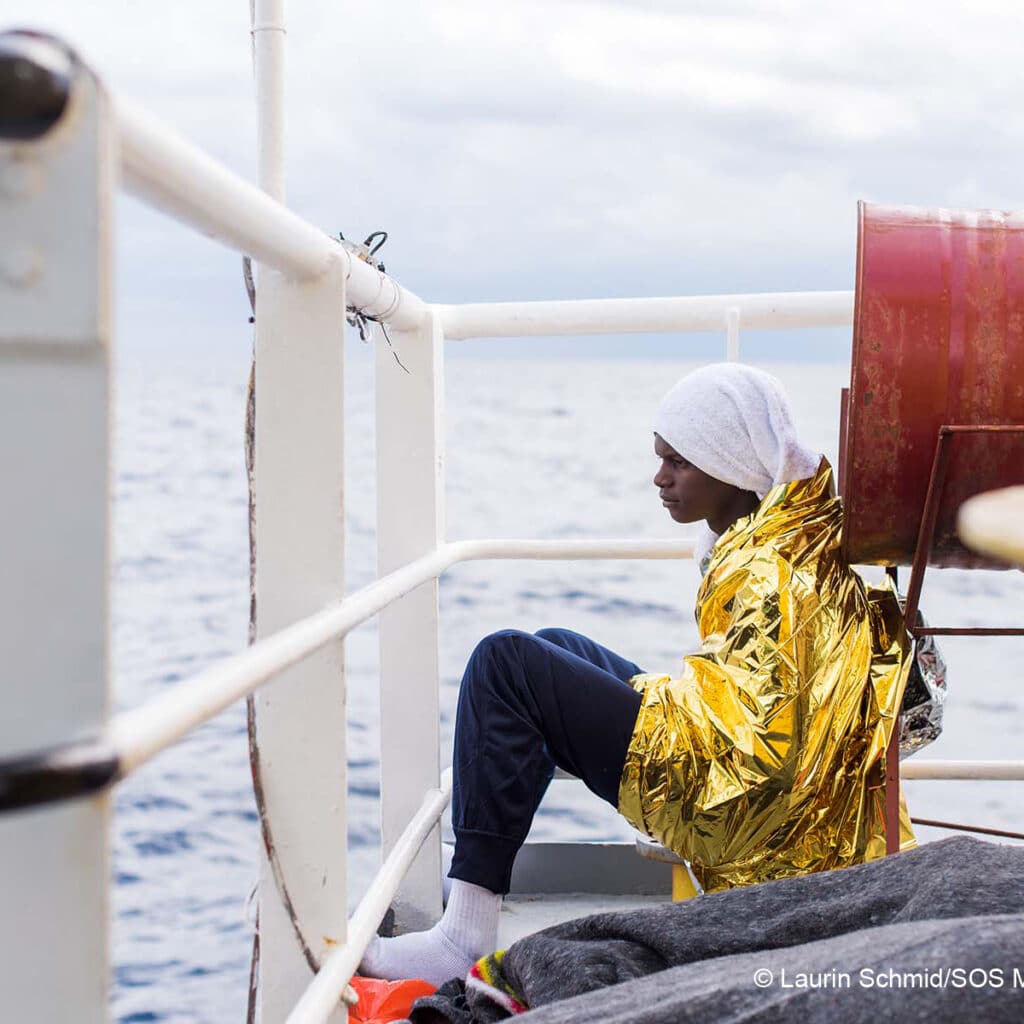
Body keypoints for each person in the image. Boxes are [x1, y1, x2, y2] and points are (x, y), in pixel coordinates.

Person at [360, 363, 913, 986]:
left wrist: (675, 723)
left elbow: (766, 755)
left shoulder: (771, 571)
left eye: (679, 461)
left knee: (504, 665)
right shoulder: (792, 533)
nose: (660, 478)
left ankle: (463, 935)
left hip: (738, 801)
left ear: (732, 464)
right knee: (555, 648)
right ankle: (477, 891)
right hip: (765, 777)